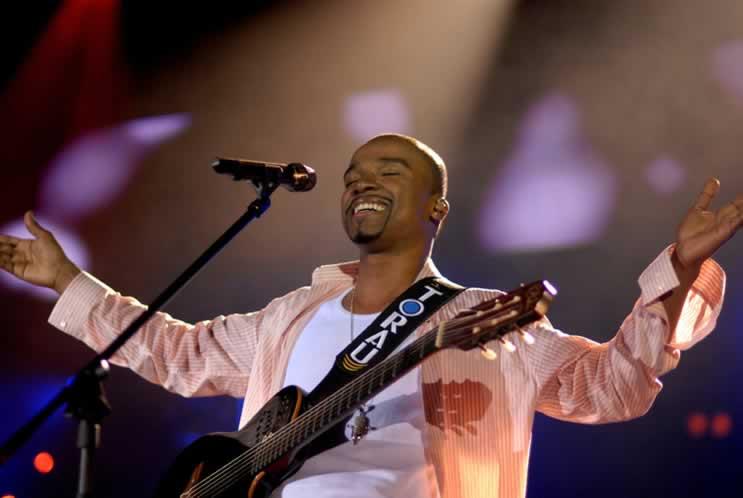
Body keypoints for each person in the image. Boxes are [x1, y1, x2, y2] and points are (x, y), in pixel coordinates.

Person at [0, 134, 739, 498]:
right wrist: (65, 279)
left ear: (435, 206)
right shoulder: (293, 314)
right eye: (353, 176)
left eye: (389, 171)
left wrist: (676, 270)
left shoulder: (487, 320)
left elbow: (610, 387)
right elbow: (176, 354)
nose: (361, 183)